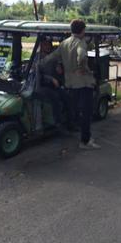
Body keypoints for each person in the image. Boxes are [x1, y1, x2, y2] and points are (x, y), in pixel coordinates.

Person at [39, 19, 100, 150]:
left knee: (74, 108)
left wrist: (38, 64)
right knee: (87, 112)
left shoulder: (64, 44)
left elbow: (51, 58)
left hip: (70, 83)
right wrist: (82, 67)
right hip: (83, 83)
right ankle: (85, 141)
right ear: (82, 30)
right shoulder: (81, 43)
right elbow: (82, 56)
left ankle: (72, 127)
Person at [35, 39, 72, 129]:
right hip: (41, 85)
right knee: (54, 97)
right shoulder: (37, 57)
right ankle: (57, 122)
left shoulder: (53, 56)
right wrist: (51, 79)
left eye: (49, 45)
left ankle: (71, 123)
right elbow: (37, 74)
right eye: (45, 45)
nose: (48, 47)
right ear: (41, 46)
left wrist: (59, 66)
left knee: (67, 97)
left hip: (54, 85)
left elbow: (60, 67)